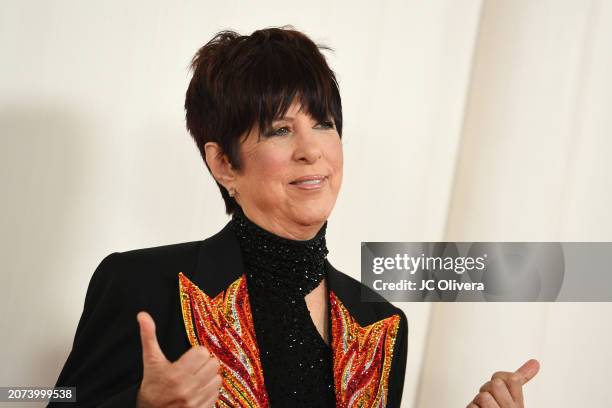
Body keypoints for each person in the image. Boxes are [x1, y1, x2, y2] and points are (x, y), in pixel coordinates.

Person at [49, 26, 539, 408]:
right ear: (223, 164)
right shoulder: (140, 284)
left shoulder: (381, 324)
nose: (311, 150)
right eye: (280, 130)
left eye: (323, 124)